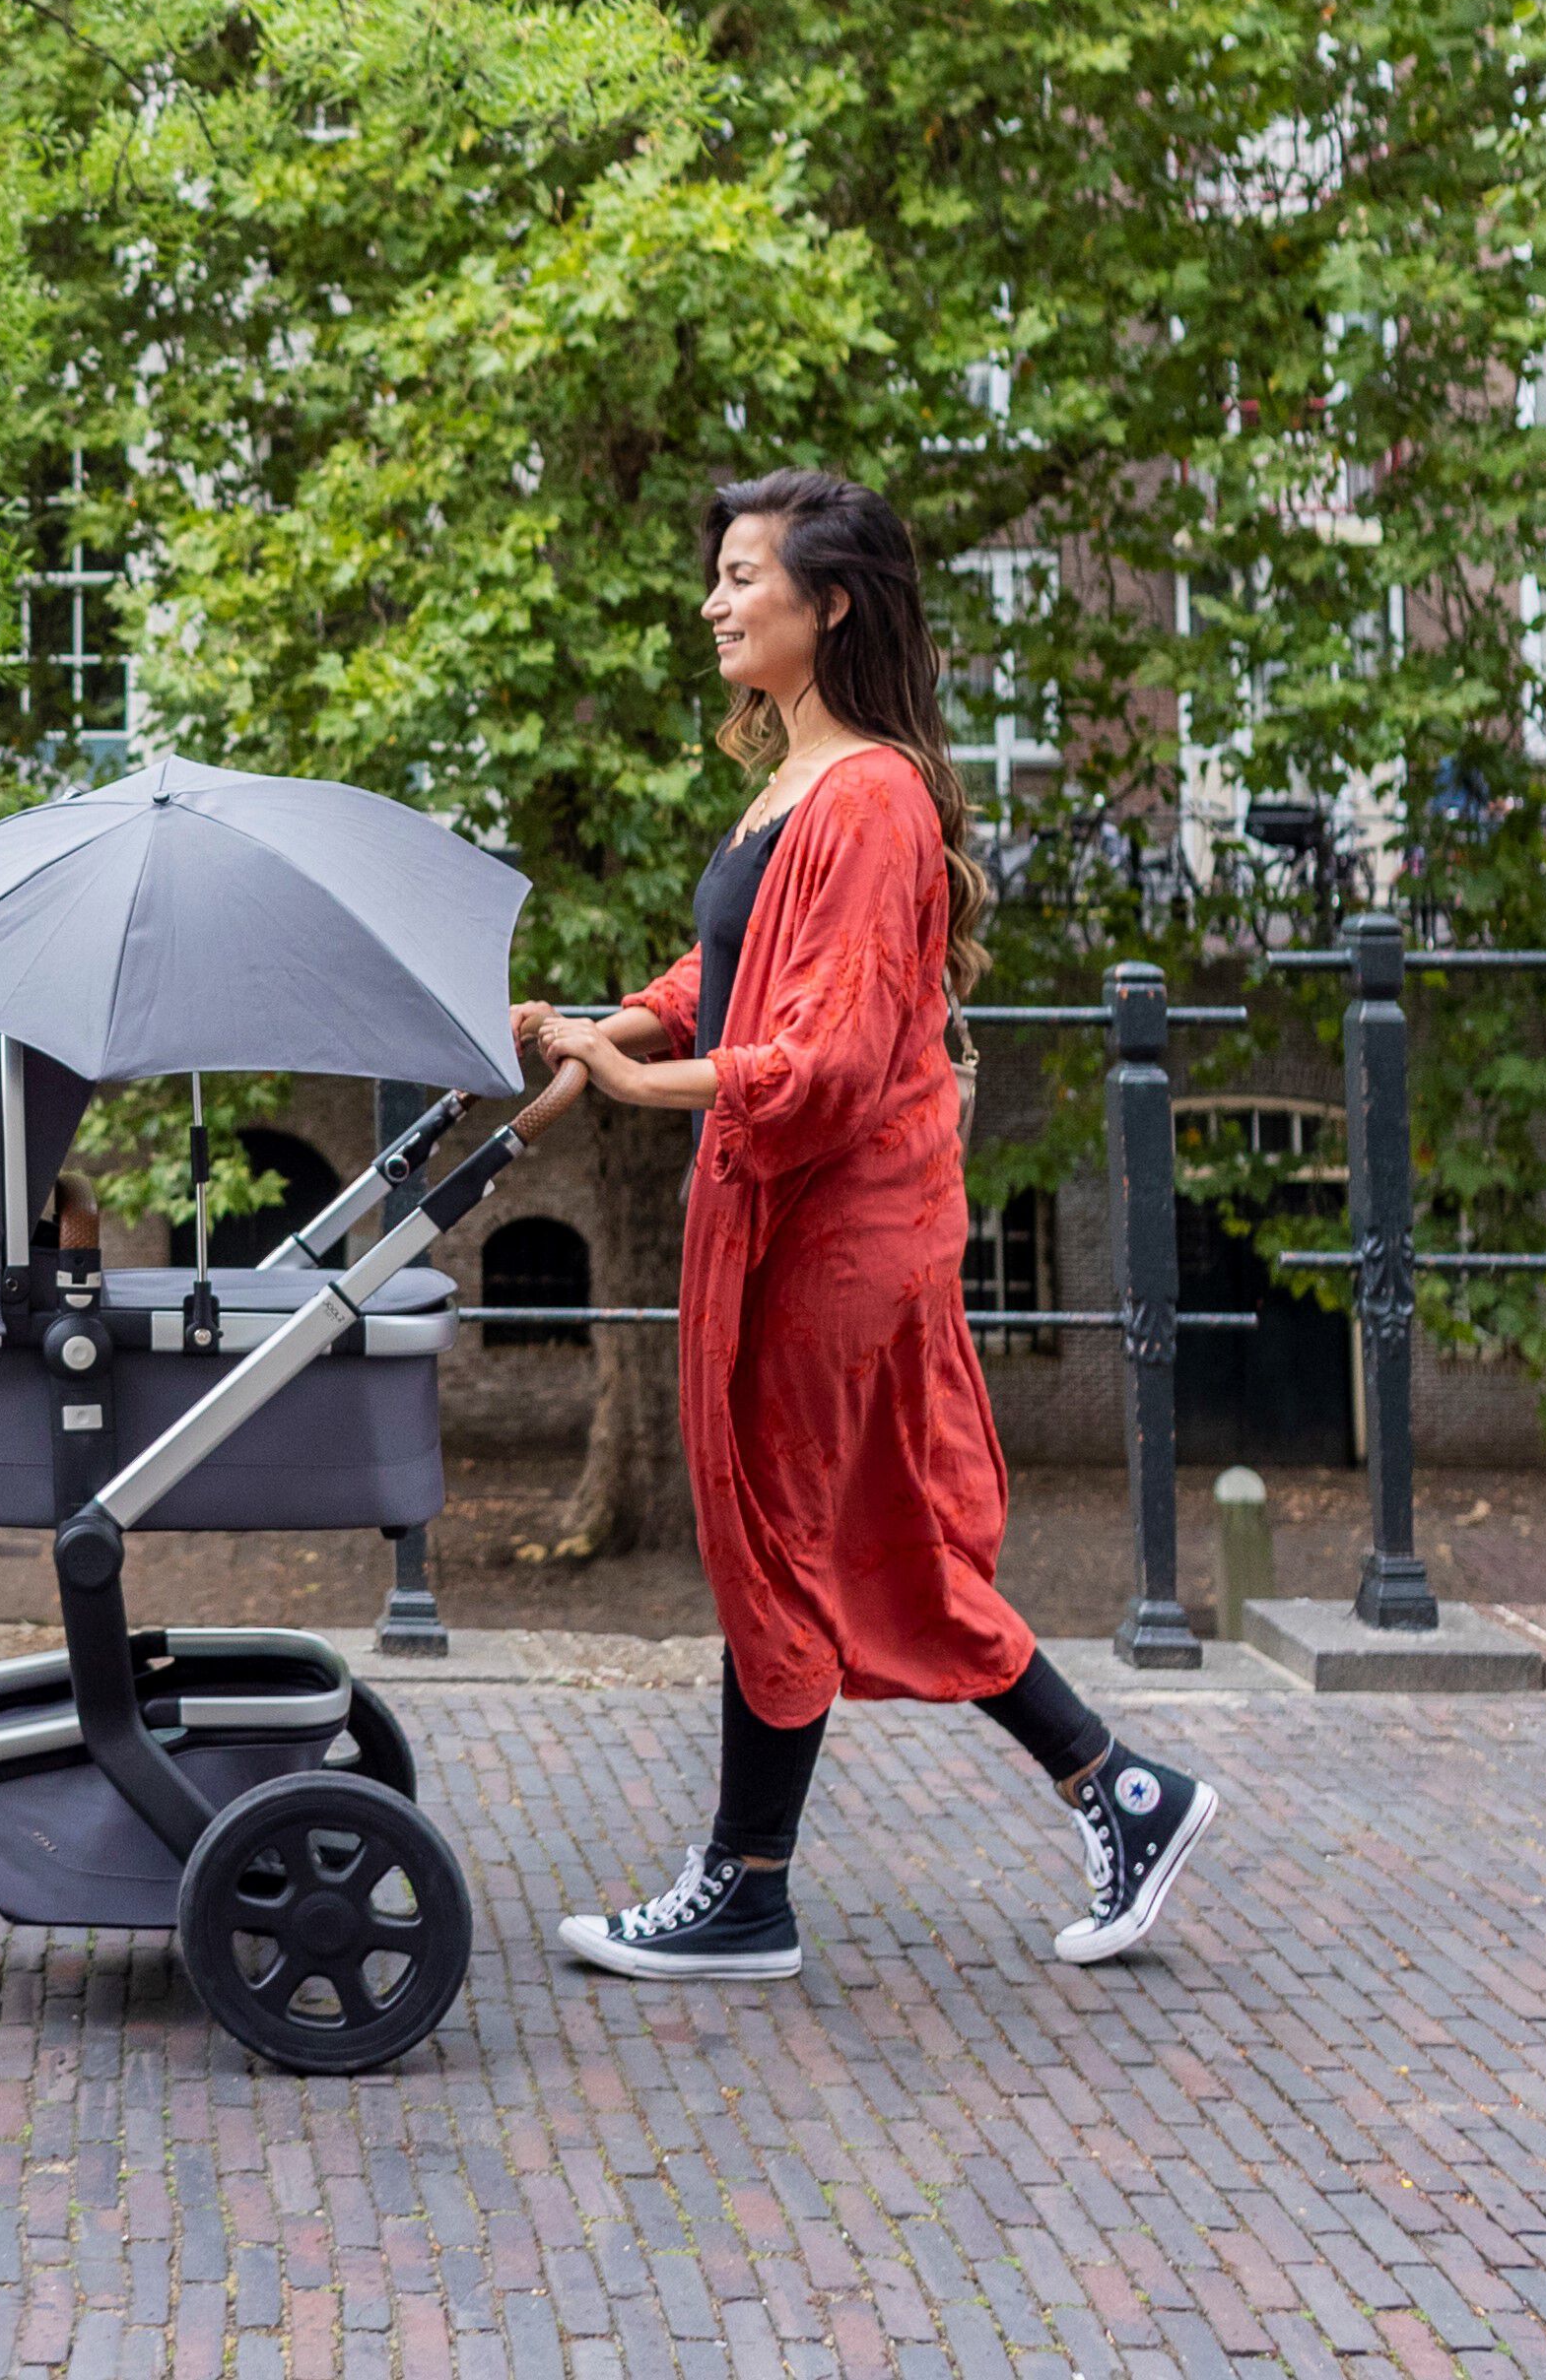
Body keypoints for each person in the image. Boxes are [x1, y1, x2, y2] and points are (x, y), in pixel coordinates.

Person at [513, 468, 1218, 1979]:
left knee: (784, 1529)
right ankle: (1118, 1788)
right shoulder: (797, 782)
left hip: (839, 1223)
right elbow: (739, 972)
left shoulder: (872, 796)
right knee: (865, 1543)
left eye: (743, 572)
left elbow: (824, 1055)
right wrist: (604, 1023)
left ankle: (746, 1888)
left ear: (828, 602)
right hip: (807, 1213)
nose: (712, 599)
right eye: (715, 571)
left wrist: (643, 1086)